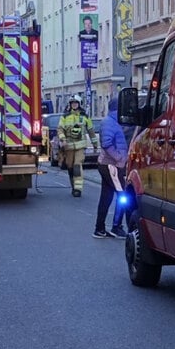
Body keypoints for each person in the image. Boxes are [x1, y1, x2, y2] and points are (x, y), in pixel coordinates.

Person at [95, 97, 130, 239]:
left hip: (108, 165)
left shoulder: (112, 122)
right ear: (118, 109)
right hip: (111, 165)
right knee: (123, 196)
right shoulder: (110, 122)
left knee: (106, 197)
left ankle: (99, 229)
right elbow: (106, 143)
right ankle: (116, 227)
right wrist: (119, 158)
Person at [58, 93, 98, 197]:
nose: (74, 105)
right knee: (70, 167)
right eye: (72, 103)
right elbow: (60, 129)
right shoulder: (65, 117)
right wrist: (63, 139)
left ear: (79, 104)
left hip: (80, 146)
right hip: (69, 147)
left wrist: (95, 144)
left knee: (77, 165)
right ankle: (73, 186)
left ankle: (78, 189)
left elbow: (91, 131)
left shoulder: (85, 116)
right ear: (70, 104)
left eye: (76, 103)